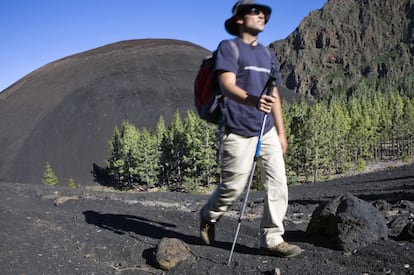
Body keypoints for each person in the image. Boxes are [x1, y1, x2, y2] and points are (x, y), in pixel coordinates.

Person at [199, 0, 303, 258]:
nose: (262, 16)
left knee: (278, 183)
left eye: (265, 14)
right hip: (236, 129)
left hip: (265, 129)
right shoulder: (229, 48)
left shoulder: (267, 54)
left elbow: (274, 93)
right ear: (239, 19)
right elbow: (226, 85)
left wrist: (281, 132)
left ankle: (272, 239)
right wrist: (254, 100)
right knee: (233, 187)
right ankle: (208, 215)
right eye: (256, 12)